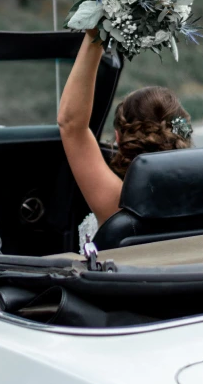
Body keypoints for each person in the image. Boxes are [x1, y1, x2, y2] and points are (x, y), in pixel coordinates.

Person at [57, 31, 192, 245]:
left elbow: (72, 125)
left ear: (119, 138)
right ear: (182, 132)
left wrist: (96, 31)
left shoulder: (117, 203)